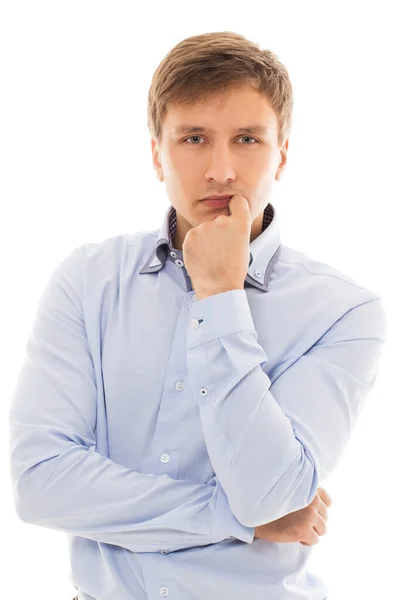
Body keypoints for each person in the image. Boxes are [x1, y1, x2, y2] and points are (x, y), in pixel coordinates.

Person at [8, 31, 386, 600]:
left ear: (282, 153)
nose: (221, 170)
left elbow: (269, 495)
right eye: (193, 138)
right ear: (156, 152)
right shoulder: (87, 282)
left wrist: (220, 297)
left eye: (247, 139)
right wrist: (230, 517)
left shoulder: (343, 312)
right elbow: (40, 484)